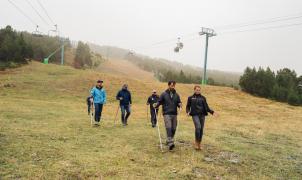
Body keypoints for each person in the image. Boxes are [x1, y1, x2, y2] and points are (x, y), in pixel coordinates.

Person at [186, 85, 216, 150]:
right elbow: (188, 106)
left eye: (199, 90)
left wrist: (212, 112)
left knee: (201, 129)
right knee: (198, 127)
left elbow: (207, 107)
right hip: (194, 115)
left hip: (202, 115)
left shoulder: (203, 98)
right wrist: (188, 112)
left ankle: (199, 143)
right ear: (194, 90)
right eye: (197, 90)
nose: (198, 91)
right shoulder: (190, 98)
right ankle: (196, 143)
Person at [154, 80, 182, 151]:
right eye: (171, 85)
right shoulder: (164, 94)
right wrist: (156, 105)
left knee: (174, 128)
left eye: (174, 85)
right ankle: (170, 142)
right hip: (166, 113)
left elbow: (179, 102)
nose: (173, 86)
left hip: (174, 113)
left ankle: (169, 139)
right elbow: (159, 101)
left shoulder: (177, 95)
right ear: (168, 85)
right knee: (168, 127)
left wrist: (180, 105)